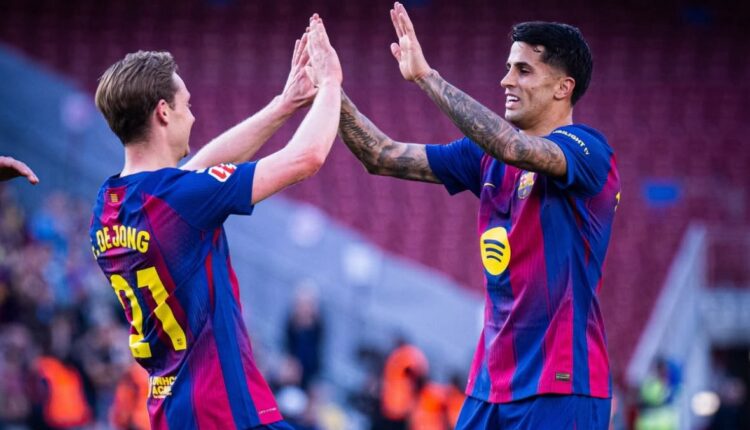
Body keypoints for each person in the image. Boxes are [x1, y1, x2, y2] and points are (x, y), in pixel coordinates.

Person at [338, 3, 620, 429]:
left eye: (523, 70)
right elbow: (380, 155)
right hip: (489, 386)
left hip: (560, 385)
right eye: (508, 68)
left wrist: (426, 77)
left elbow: (514, 148)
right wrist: (329, 93)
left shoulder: (588, 151)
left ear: (563, 88)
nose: (506, 80)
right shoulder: (485, 158)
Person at [88, 14, 342, 429]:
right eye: (187, 105)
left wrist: (284, 105)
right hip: (222, 406)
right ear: (163, 112)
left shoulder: (108, 204)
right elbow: (306, 157)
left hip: (171, 411)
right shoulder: (179, 198)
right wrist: (331, 83)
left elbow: (197, 172)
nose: (192, 117)